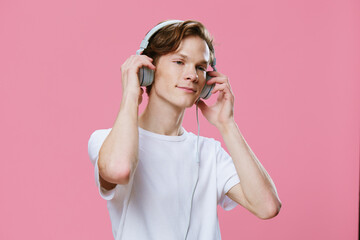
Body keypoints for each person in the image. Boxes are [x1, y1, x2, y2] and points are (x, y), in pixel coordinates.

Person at [87, 19, 281, 240]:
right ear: (148, 69)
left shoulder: (209, 153)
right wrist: (131, 95)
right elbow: (118, 170)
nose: (193, 75)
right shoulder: (106, 140)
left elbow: (267, 207)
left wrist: (227, 125)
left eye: (200, 67)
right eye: (179, 62)